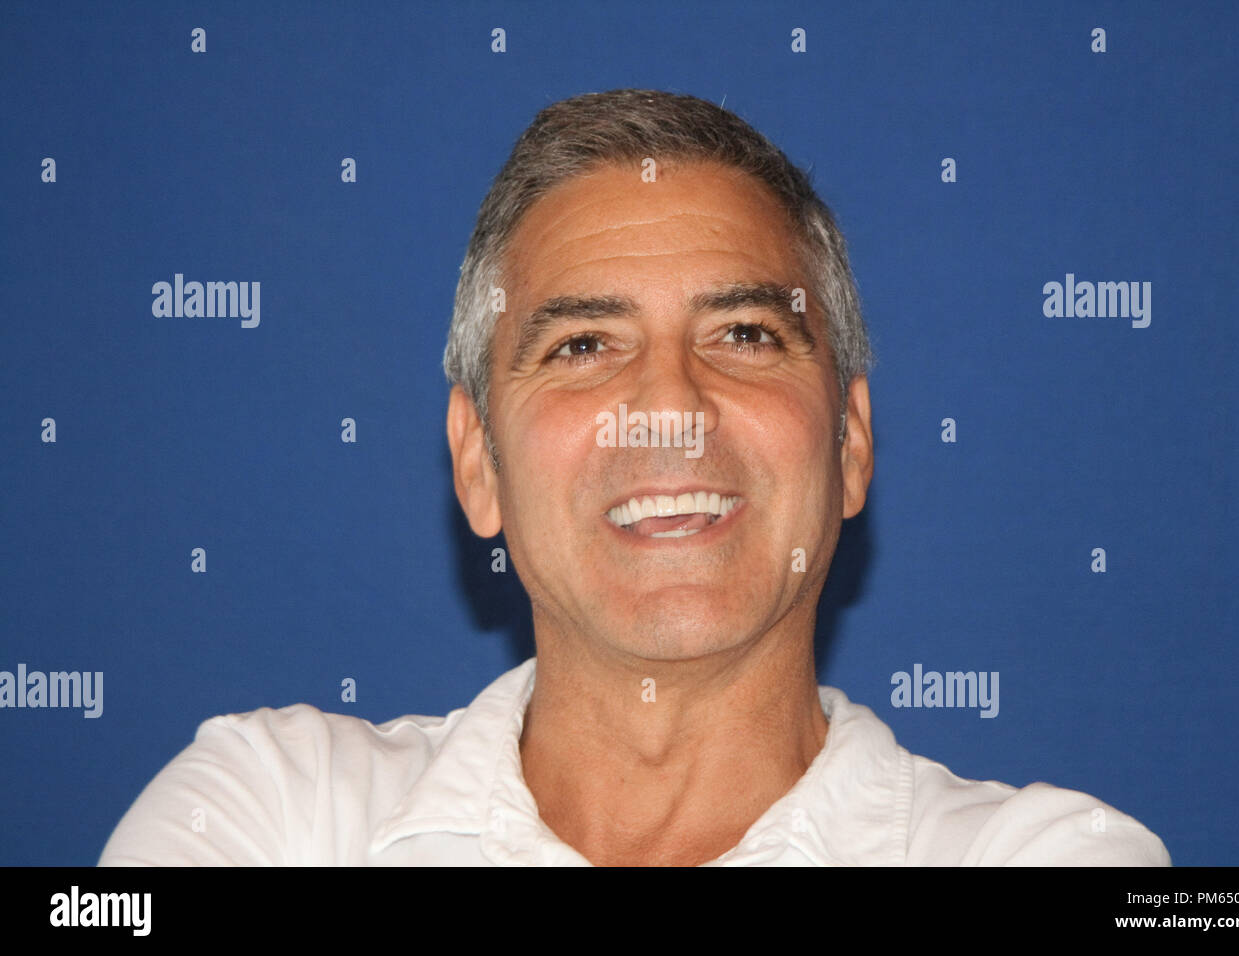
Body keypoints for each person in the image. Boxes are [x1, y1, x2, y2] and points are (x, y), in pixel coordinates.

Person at [99, 89, 1170, 866]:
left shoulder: (1056, 858)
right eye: (582, 346)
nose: (669, 404)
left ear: (849, 443)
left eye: (746, 334)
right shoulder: (272, 811)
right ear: (478, 463)